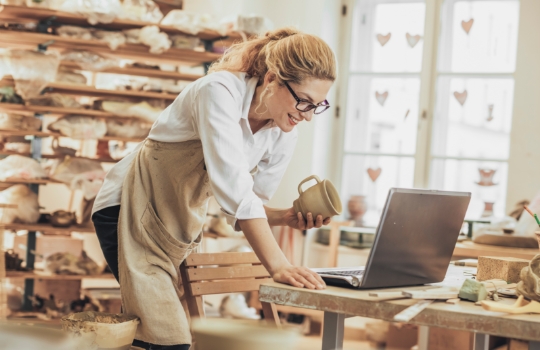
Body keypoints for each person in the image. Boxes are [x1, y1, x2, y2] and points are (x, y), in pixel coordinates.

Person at [91, 27, 337, 350]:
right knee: (166, 336)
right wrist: (279, 265)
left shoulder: (283, 130)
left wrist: (287, 216)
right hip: (127, 210)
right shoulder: (219, 92)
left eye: (317, 106)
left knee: (180, 335)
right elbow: (237, 195)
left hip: (176, 227)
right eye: (304, 102)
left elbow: (251, 203)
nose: (307, 117)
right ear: (274, 79)